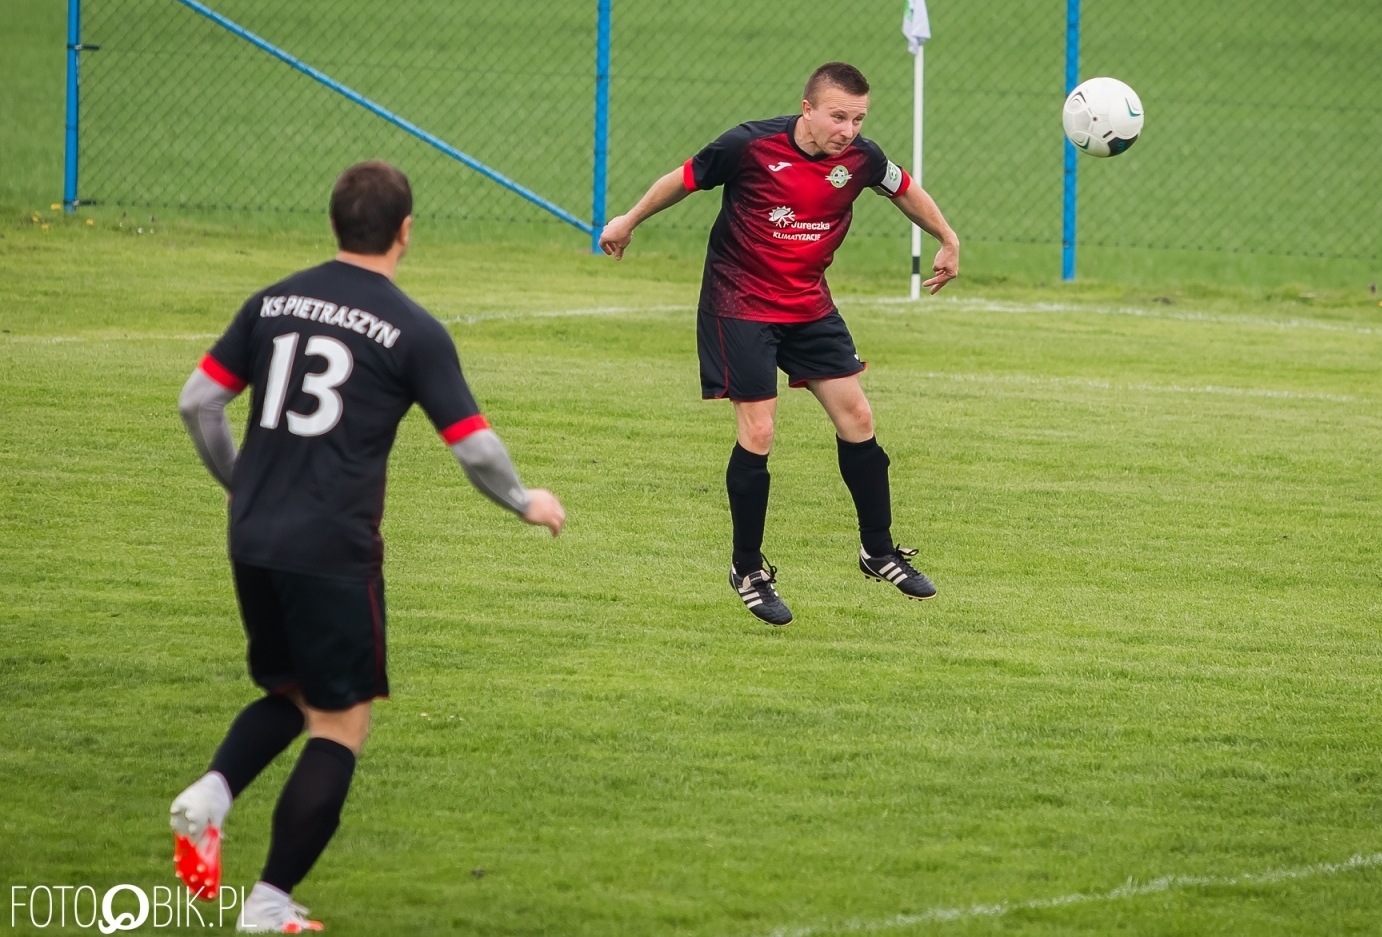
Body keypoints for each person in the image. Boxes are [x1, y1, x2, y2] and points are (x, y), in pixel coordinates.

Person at [170, 161, 566, 932]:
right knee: (340, 722)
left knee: (290, 689)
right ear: (405, 232)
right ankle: (269, 903)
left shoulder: (271, 301)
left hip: (252, 536)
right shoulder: (412, 329)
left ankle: (211, 793)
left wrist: (243, 484)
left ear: (333, 224)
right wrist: (525, 501)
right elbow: (476, 449)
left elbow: (199, 402)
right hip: (330, 548)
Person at [599, 61, 959, 626]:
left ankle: (878, 552)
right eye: (838, 116)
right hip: (740, 302)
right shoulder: (749, 145)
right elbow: (683, 178)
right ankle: (747, 569)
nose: (847, 128)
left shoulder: (860, 158)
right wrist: (629, 219)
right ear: (808, 108)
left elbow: (904, 188)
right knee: (760, 429)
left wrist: (946, 236)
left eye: (858, 118)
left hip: (808, 304)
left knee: (858, 418)